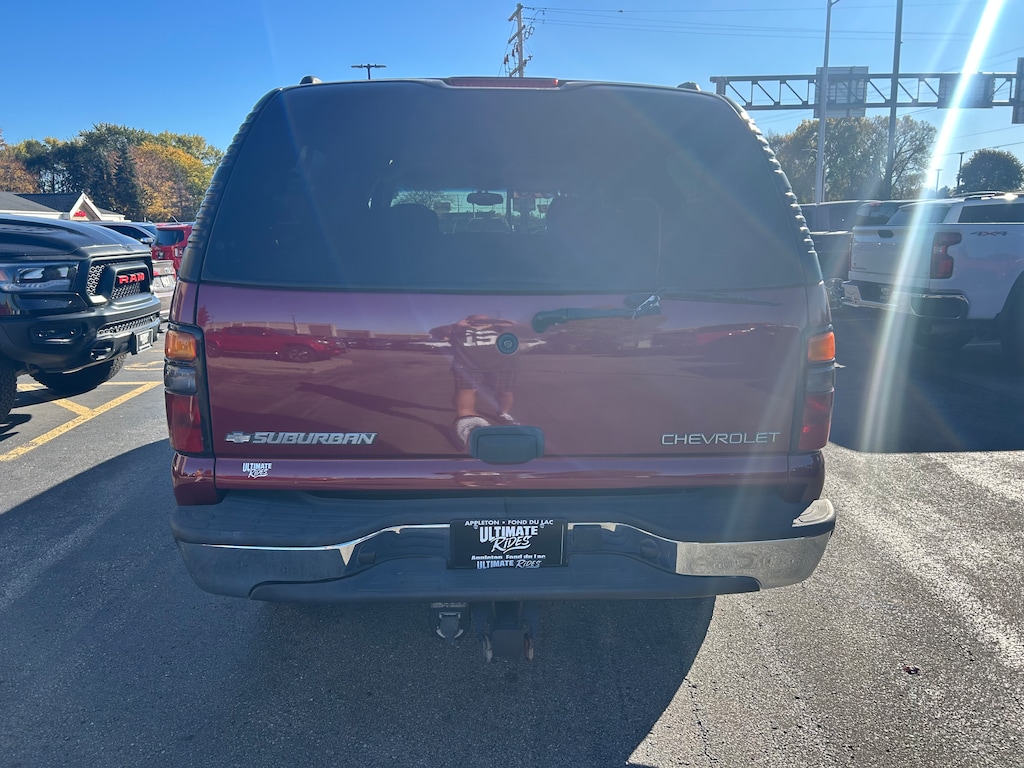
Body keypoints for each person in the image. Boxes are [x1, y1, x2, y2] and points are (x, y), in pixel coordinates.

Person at [430, 313, 522, 447]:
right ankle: (466, 425)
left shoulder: (502, 328)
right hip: (467, 366)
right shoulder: (458, 330)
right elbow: (435, 332)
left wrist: (515, 324)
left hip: (502, 367)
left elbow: (533, 332)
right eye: (474, 320)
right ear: (468, 320)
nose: (480, 321)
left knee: (504, 392)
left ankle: (503, 413)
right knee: (465, 392)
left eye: (485, 319)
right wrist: (456, 326)